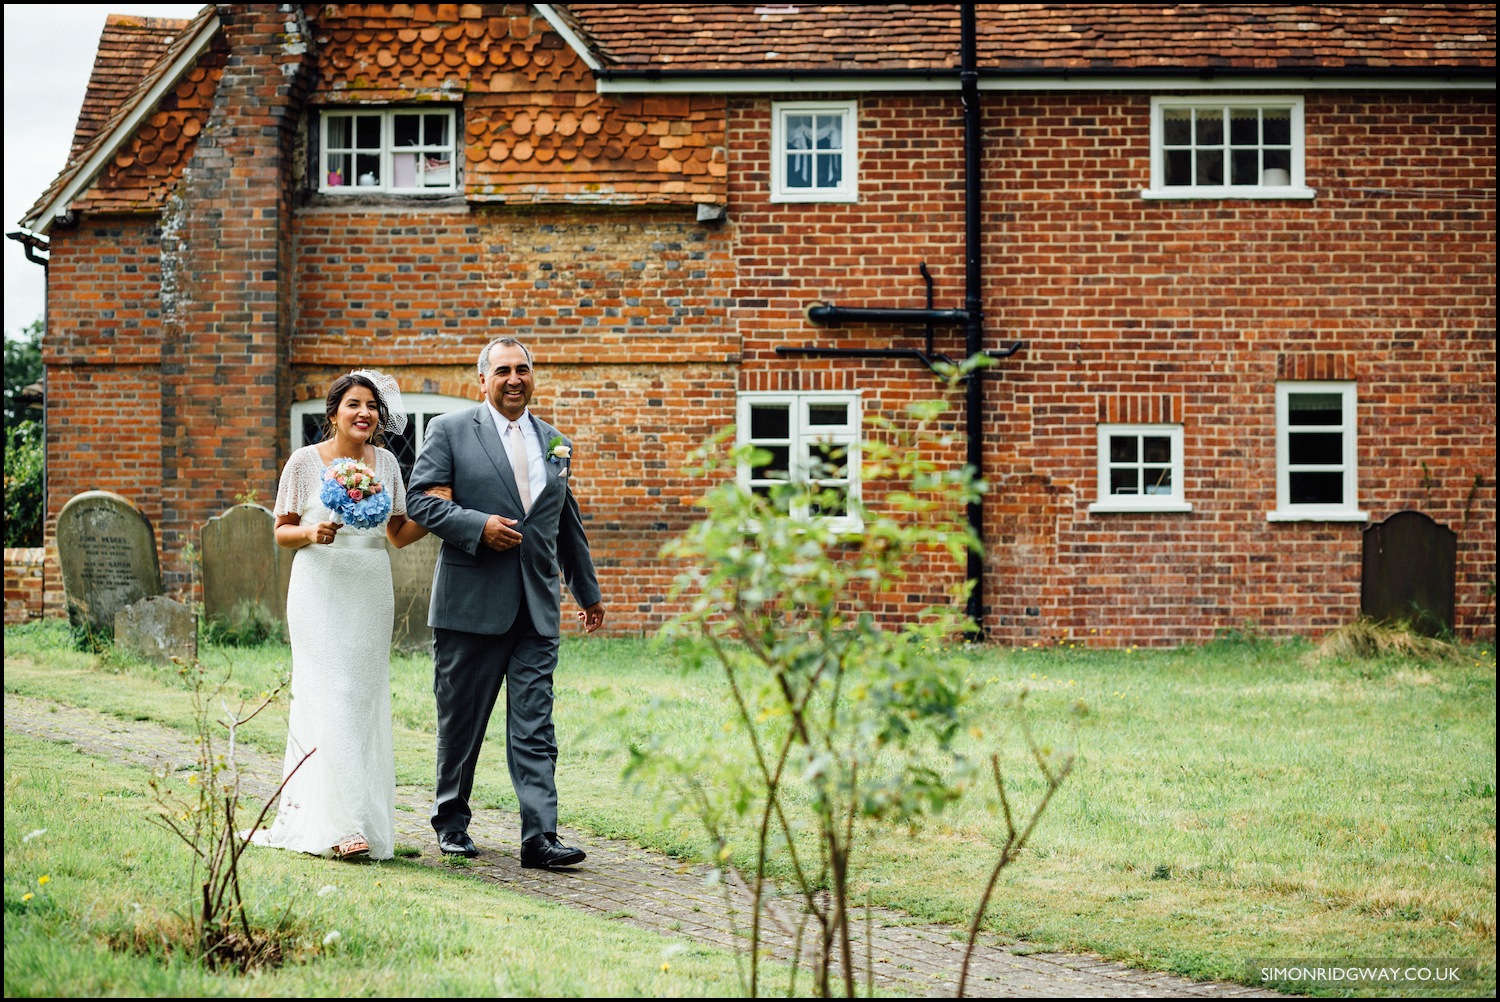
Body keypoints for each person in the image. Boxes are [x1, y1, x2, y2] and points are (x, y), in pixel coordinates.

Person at [406, 336, 605, 868]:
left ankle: (539, 838)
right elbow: (419, 499)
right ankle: (451, 822)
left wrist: (586, 592)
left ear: (532, 375)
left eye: (523, 369)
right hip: (470, 604)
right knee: (462, 722)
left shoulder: (555, 441)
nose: (514, 379)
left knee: (536, 726)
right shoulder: (449, 431)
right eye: (503, 371)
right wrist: (479, 526)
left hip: (537, 608)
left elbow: (566, 523)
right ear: (483, 380)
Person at [254, 370, 431, 861]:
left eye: (372, 406)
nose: (364, 413)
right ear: (333, 413)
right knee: (328, 692)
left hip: (369, 584)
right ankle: (343, 826)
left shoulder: (389, 463)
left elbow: (397, 533)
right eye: (354, 404)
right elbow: (281, 531)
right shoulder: (304, 463)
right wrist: (312, 533)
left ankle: (362, 818)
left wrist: (439, 510)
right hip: (319, 585)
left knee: (362, 697)